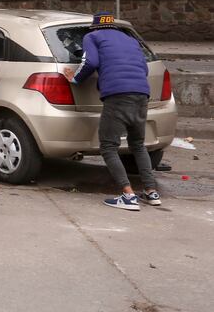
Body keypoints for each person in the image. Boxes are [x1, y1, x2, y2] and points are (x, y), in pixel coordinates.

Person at [64, 12, 160, 211]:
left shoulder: (92, 37)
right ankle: (151, 192)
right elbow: (144, 67)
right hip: (141, 93)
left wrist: (74, 78)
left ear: (96, 27)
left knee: (108, 146)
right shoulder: (130, 38)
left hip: (117, 96)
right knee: (138, 145)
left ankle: (128, 195)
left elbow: (90, 62)